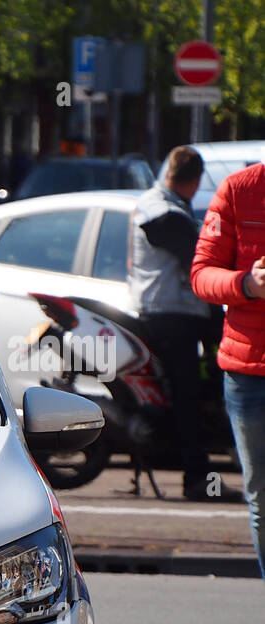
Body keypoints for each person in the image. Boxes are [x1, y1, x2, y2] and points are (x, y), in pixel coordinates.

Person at [190, 158, 265, 624]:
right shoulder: (239, 190)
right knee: (262, 499)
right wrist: (246, 284)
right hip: (248, 372)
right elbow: (201, 274)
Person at [131, 146, 217, 501]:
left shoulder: (161, 204)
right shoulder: (163, 210)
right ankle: (198, 479)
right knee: (188, 394)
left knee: (196, 387)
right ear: (195, 181)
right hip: (171, 313)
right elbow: (192, 252)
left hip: (171, 310)